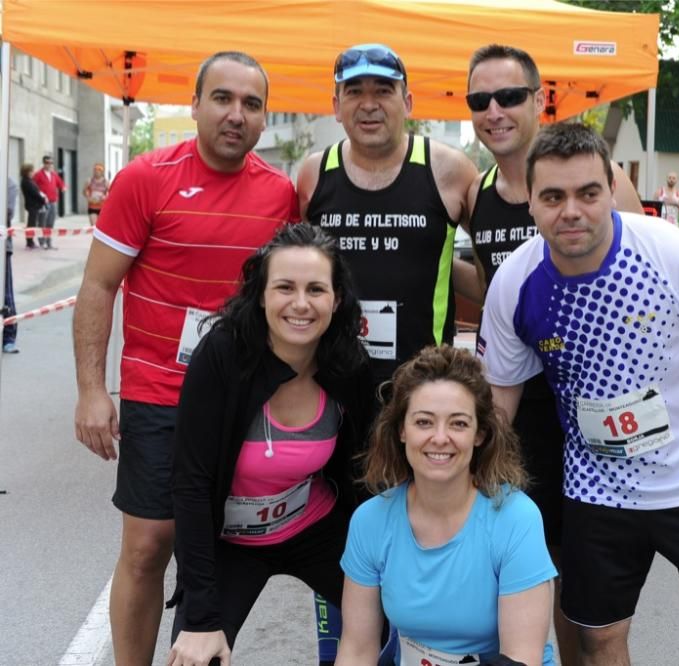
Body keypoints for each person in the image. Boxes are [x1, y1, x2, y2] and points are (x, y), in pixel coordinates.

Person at [479, 123, 679, 666]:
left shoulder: (676, 255)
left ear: (611, 193)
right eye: (553, 197)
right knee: (599, 640)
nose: (572, 210)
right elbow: (500, 399)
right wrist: (474, 496)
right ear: (531, 205)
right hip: (598, 491)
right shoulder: (514, 282)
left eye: (588, 193)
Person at [72, 51, 299, 665]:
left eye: (252, 104)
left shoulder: (280, 195)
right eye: (222, 99)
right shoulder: (145, 178)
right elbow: (98, 287)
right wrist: (93, 391)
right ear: (194, 105)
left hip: (243, 399)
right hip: (158, 392)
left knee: (222, 550)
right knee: (148, 546)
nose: (236, 115)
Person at [465, 44, 644, 665]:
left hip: (599, 404)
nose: (495, 111)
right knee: (538, 563)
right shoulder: (476, 190)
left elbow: (640, 278)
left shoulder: (600, 179)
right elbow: (487, 285)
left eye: (509, 96)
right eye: (479, 100)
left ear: (539, 99)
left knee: (594, 591)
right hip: (524, 408)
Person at [167, 224, 373, 665]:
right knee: (196, 657)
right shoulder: (220, 355)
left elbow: (365, 472)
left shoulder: (347, 362)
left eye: (316, 289)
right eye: (285, 287)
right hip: (230, 543)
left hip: (314, 528)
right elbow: (191, 485)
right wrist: (201, 618)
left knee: (408, 613)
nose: (301, 304)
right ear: (260, 294)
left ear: (336, 300)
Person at [337, 345, 557, 666]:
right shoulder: (370, 521)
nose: (440, 438)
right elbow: (357, 650)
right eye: (424, 422)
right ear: (401, 430)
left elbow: (521, 657)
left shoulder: (516, 518)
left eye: (458, 424)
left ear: (480, 434)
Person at [298, 42, 479, 389]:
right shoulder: (314, 174)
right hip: (332, 383)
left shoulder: (449, 170)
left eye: (383, 91)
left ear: (407, 102)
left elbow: (491, 273)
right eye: (354, 92)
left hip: (424, 385)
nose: (369, 105)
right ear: (336, 106)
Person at [32, 153, 65, 249]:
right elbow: (33, 187)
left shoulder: (54, 174)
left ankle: (49, 242)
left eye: (51, 163)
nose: (49, 165)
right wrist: (39, 195)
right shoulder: (38, 174)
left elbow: (61, 184)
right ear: (44, 163)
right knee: (42, 222)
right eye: (47, 163)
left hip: (53, 201)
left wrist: (63, 187)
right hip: (43, 203)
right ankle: (42, 242)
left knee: (51, 223)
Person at [3, 176, 17, 353]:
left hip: (2, 247)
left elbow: (6, 212)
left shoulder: (8, 184)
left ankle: (9, 335)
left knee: (6, 293)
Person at [19, 163, 47, 250]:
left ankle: (30, 241)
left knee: (32, 223)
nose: (33, 172)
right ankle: (29, 242)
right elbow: (35, 193)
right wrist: (43, 199)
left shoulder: (29, 180)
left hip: (34, 205)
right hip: (32, 205)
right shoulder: (26, 181)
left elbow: (37, 191)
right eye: (31, 171)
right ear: (26, 172)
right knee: (31, 224)